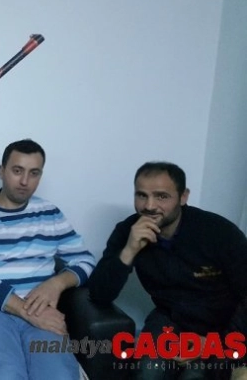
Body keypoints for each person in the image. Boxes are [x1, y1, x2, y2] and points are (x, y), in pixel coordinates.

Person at [88, 162, 247, 380]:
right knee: (147, 371)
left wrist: (217, 343)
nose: (149, 206)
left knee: (195, 375)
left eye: (161, 196)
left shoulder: (219, 232)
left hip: (223, 324)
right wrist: (129, 250)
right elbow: (99, 294)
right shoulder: (128, 230)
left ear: (183, 197)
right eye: (141, 195)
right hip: (170, 318)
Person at [0, 139, 96, 380]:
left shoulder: (50, 213)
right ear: (1, 171)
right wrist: (28, 311)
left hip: (41, 307)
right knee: (6, 374)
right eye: (17, 171)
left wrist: (56, 283)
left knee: (59, 375)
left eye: (34, 173)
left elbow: (85, 260)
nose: (24, 181)